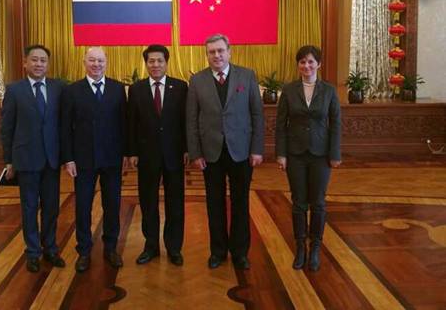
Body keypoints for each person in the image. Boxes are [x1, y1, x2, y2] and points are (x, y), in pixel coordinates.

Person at [186, 34, 264, 270]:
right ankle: (218, 252)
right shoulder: (197, 80)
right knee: (214, 203)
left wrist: (257, 149)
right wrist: (195, 153)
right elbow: (191, 120)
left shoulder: (247, 76)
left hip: (241, 152)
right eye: (212, 52)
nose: (217, 55)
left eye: (220, 51)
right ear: (207, 55)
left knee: (240, 202)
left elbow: (257, 115)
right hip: (211, 153)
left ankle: (240, 253)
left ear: (229, 52)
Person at [60, 47, 127, 273]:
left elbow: (124, 124)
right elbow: (65, 127)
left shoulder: (118, 89)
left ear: (106, 62)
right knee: (83, 207)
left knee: (112, 205)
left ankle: (111, 248)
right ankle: (84, 250)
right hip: (83, 160)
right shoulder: (72, 91)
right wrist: (68, 158)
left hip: (112, 159)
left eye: (100, 60)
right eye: (92, 60)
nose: (96, 64)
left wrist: (126, 154)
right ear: (84, 63)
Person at [0, 44, 66, 273]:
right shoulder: (14, 90)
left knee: (51, 207)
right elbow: (7, 128)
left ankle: (50, 248)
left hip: (51, 159)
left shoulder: (59, 88)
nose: (39, 64)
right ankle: (32, 252)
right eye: (35, 60)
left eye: (43, 60)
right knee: (29, 207)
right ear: (25, 63)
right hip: (26, 159)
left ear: (48, 64)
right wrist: (8, 160)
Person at [275, 45, 341, 272]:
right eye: (302, 62)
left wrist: (335, 154)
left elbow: (336, 124)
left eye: (311, 61)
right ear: (298, 65)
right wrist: (281, 154)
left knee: (318, 202)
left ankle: (315, 247)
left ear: (318, 64)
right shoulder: (289, 90)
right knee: (298, 203)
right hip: (295, 154)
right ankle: (300, 246)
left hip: (321, 155)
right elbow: (280, 125)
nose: (307, 66)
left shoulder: (329, 90)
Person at [128, 45, 188, 266]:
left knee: (175, 203)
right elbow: (131, 123)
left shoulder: (180, 87)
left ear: (166, 62)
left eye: (159, 61)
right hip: (147, 156)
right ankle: (151, 246)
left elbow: (185, 121)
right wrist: (132, 152)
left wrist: (187, 149)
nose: (155, 65)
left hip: (174, 155)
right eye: (151, 61)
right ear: (146, 64)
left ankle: (174, 248)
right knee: (148, 203)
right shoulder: (136, 89)